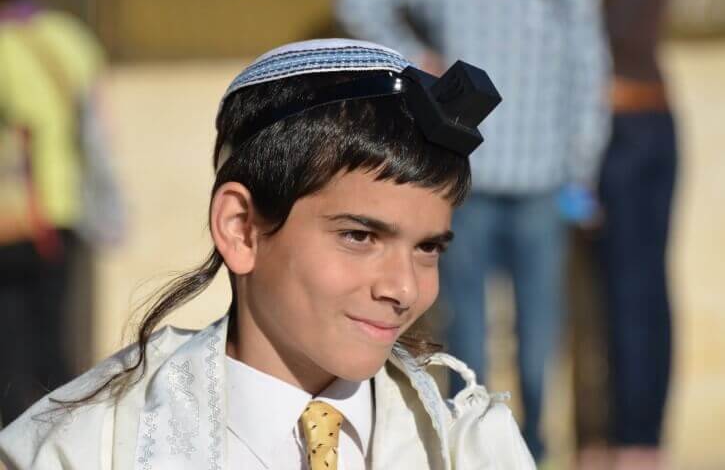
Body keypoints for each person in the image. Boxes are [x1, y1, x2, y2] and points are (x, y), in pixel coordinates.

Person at [0, 39, 535, 469]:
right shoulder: (82, 450)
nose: (403, 288)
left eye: (428, 248)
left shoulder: (471, 450)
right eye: (359, 236)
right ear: (241, 229)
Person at [336, 0, 611, 461]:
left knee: (533, 336)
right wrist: (414, 61)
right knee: (470, 334)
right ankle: (474, 449)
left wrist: (580, 170)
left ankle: (522, 450)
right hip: (469, 182)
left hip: (540, 181)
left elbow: (587, 61)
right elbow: (359, 2)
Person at [0, 0, 121, 426]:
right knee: (59, 334)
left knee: (10, 341)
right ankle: (61, 432)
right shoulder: (69, 36)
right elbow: (98, 125)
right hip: (68, 208)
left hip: (15, 216)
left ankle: (18, 437)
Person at [590, 0, 678, 468]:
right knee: (629, 293)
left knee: (634, 293)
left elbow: (620, 33)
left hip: (627, 124)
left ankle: (636, 443)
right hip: (635, 119)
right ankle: (629, 440)